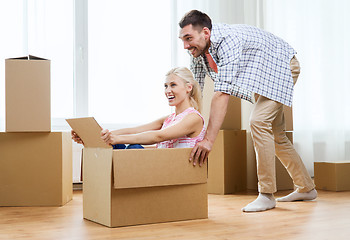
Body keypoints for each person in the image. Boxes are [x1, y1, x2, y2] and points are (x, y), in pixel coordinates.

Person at [178, 10, 317, 212]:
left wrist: (208, 140)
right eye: (182, 39)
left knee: (258, 122)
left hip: (283, 65)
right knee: (277, 136)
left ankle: (266, 194)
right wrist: (184, 121)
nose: (185, 45)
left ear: (205, 33)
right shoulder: (198, 53)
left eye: (188, 38)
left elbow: (221, 94)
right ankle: (306, 187)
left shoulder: (228, 40)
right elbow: (196, 91)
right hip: (263, 73)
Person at [71, 67, 206, 151]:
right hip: (161, 164)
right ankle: (93, 141)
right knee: (113, 145)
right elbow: (134, 130)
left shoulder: (194, 118)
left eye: (173, 85)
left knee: (132, 148)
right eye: (165, 86)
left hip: (173, 168)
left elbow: (158, 136)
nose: (168, 90)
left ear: (188, 87)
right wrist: (99, 136)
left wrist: (116, 139)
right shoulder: (169, 119)